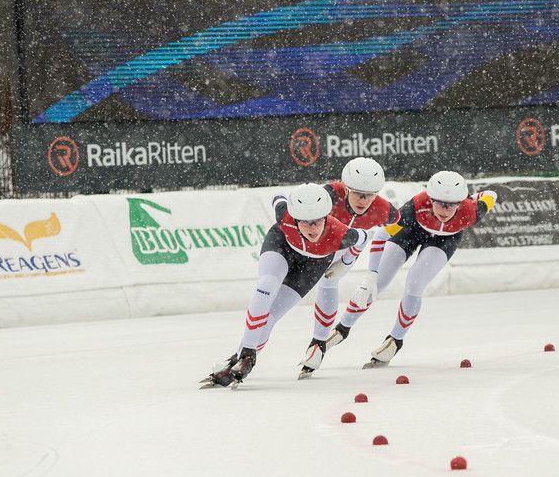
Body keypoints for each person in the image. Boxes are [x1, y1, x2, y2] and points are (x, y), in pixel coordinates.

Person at [321, 170, 497, 369]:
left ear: (460, 203)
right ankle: (342, 329)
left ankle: (395, 340)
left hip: (445, 240)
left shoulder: (471, 211)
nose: (445, 210)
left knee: (415, 283)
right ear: (430, 198)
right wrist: (371, 276)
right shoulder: (416, 206)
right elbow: (380, 237)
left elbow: (491, 195)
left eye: (451, 204)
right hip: (411, 231)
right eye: (439, 203)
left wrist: (472, 198)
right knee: (378, 282)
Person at [201, 183, 369, 388]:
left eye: (317, 221)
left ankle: (241, 357)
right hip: (281, 245)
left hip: (314, 264)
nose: (313, 228)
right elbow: (278, 196)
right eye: (305, 222)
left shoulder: (340, 233)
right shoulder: (285, 215)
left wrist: (345, 263)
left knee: (271, 316)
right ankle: (246, 353)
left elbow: (364, 238)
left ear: (326, 217)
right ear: (295, 218)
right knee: (267, 284)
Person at [299, 156, 399, 378]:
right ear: (345, 188)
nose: (363, 200)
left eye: (370, 195)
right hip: (317, 245)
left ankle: (317, 344)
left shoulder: (386, 211)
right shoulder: (328, 195)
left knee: (328, 282)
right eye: (357, 193)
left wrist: (371, 274)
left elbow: (390, 230)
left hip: (349, 249)